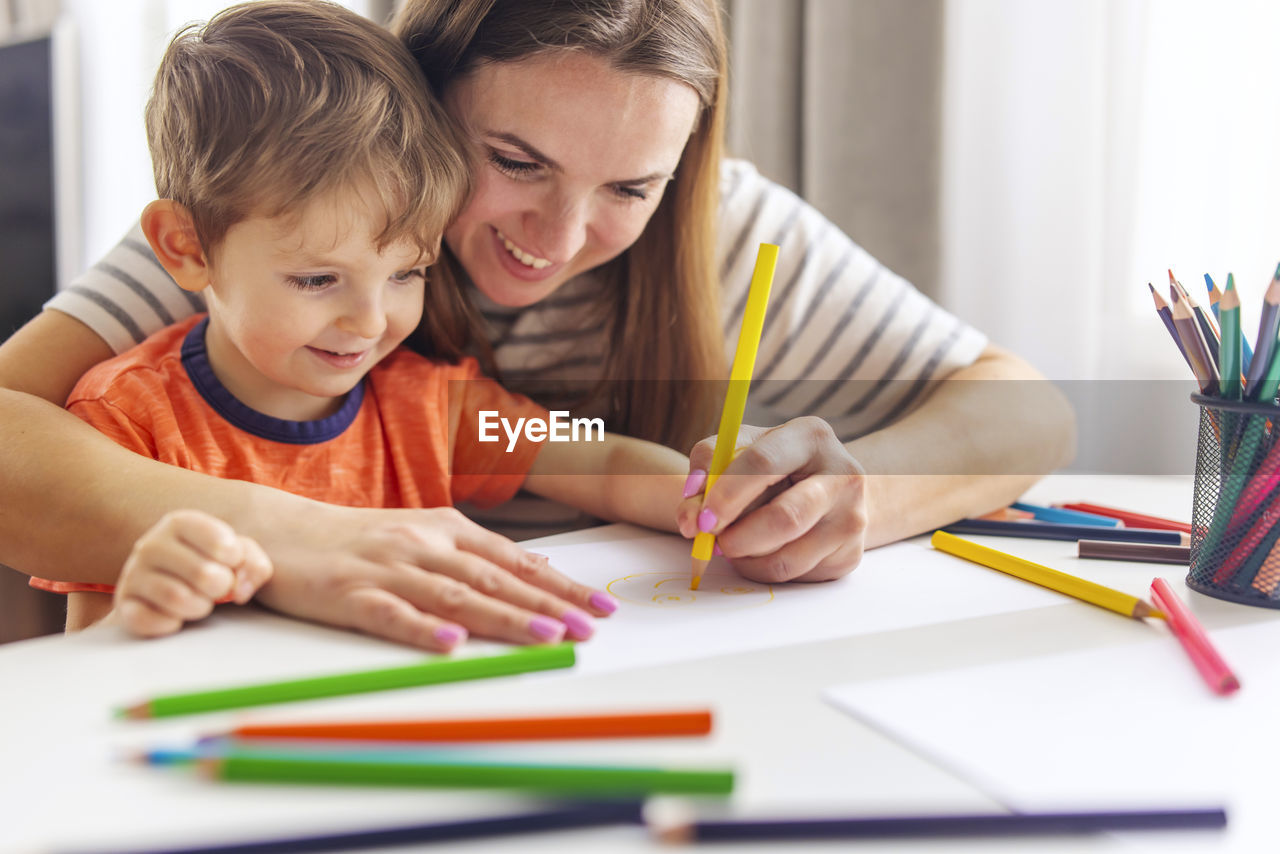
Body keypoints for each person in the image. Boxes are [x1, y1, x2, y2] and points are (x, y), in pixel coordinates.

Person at [0, 0, 1074, 649]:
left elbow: (1025, 413)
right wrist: (295, 540)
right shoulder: (287, 204)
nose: (558, 237)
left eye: (630, 187)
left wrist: (794, 496)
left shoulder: (436, 406)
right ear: (422, 110)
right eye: (515, 162)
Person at [29, 0, 697, 645]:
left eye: (408, 274)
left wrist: (716, 494)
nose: (372, 321)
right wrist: (149, 604)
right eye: (318, 280)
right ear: (187, 248)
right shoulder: (124, 425)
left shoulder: (437, 406)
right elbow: (92, 655)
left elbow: (599, 456)